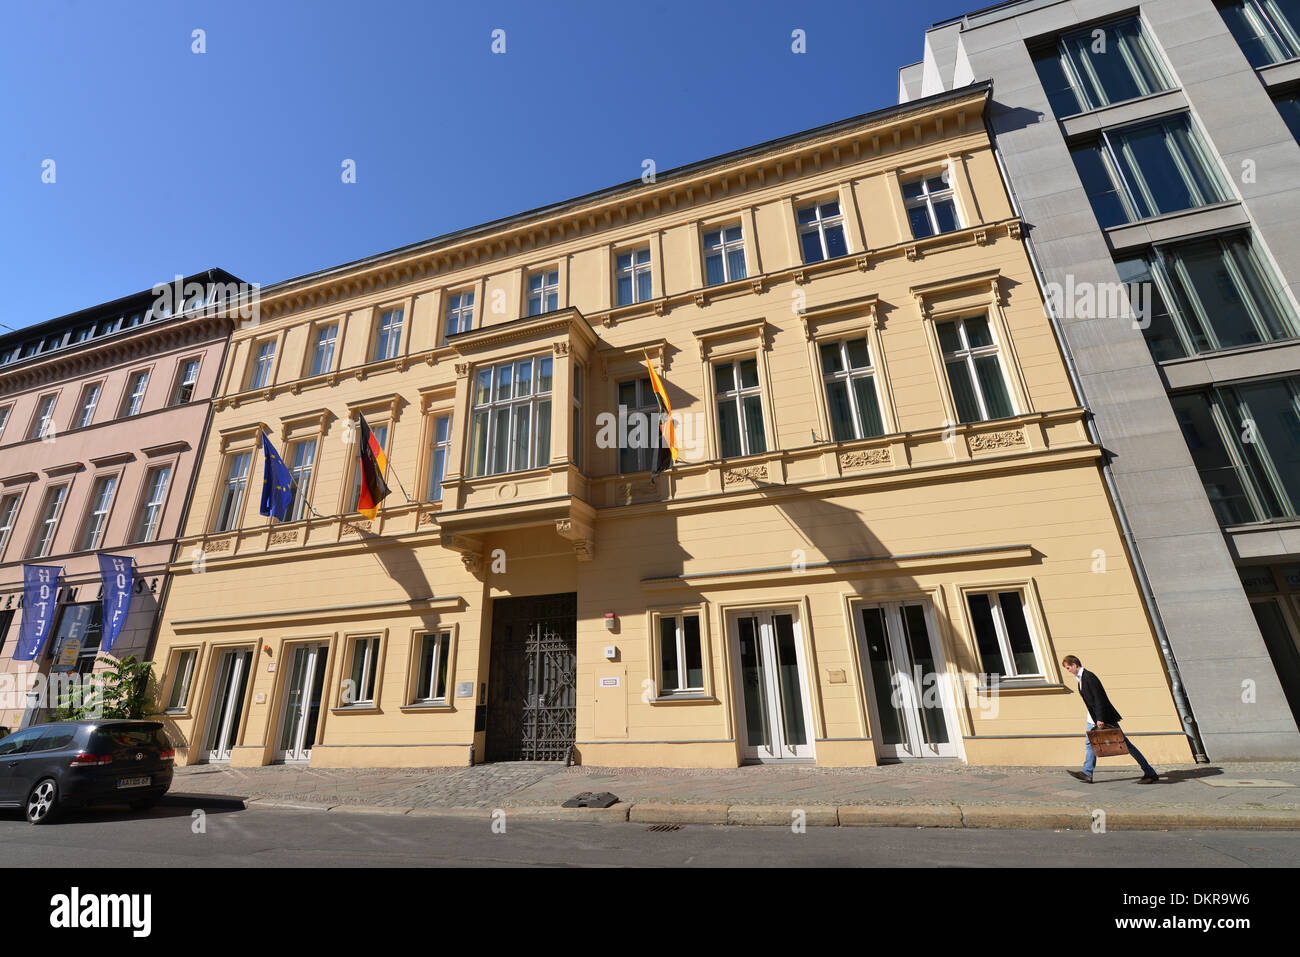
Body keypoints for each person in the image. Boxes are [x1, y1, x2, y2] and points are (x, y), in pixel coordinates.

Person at [1061, 655, 1159, 784]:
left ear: (1075, 664)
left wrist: (1100, 718)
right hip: (1093, 717)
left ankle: (1150, 773)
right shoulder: (1081, 679)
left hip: (1103, 717)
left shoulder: (1089, 677)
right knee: (1089, 743)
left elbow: (1099, 698)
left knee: (1126, 745)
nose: (1068, 670)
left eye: (1068, 668)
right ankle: (1087, 773)